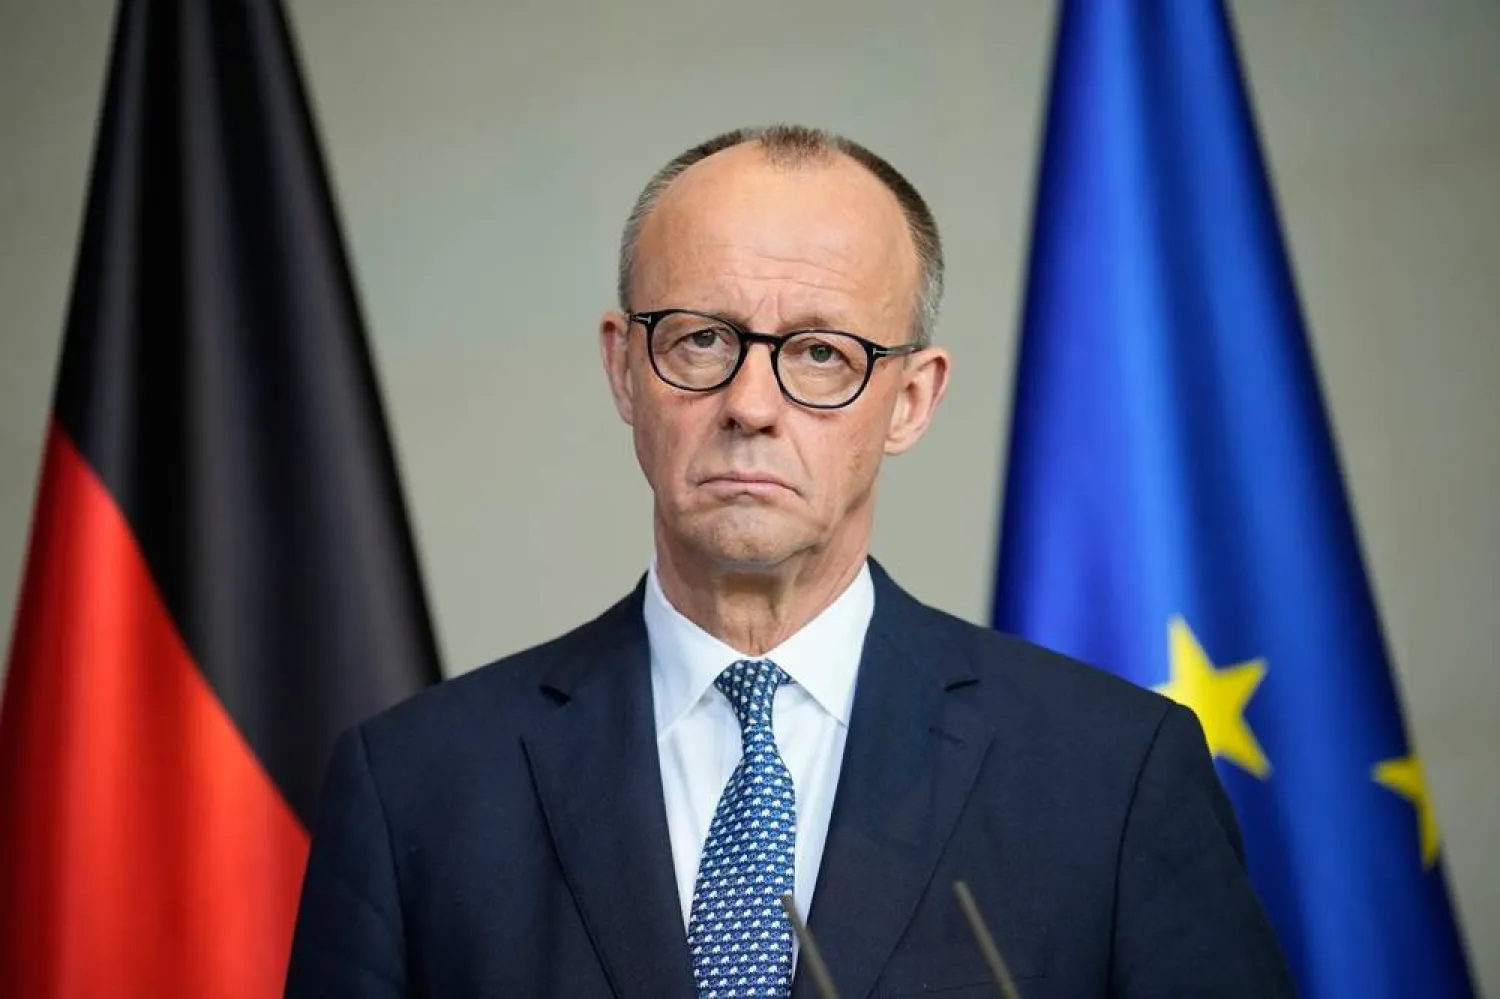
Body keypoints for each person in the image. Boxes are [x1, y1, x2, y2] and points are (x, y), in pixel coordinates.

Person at [284, 124, 1295, 998]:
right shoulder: (415, 787)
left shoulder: (1113, 773)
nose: (751, 405)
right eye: (699, 339)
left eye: (821, 353)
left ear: (911, 400)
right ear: (623, 370)